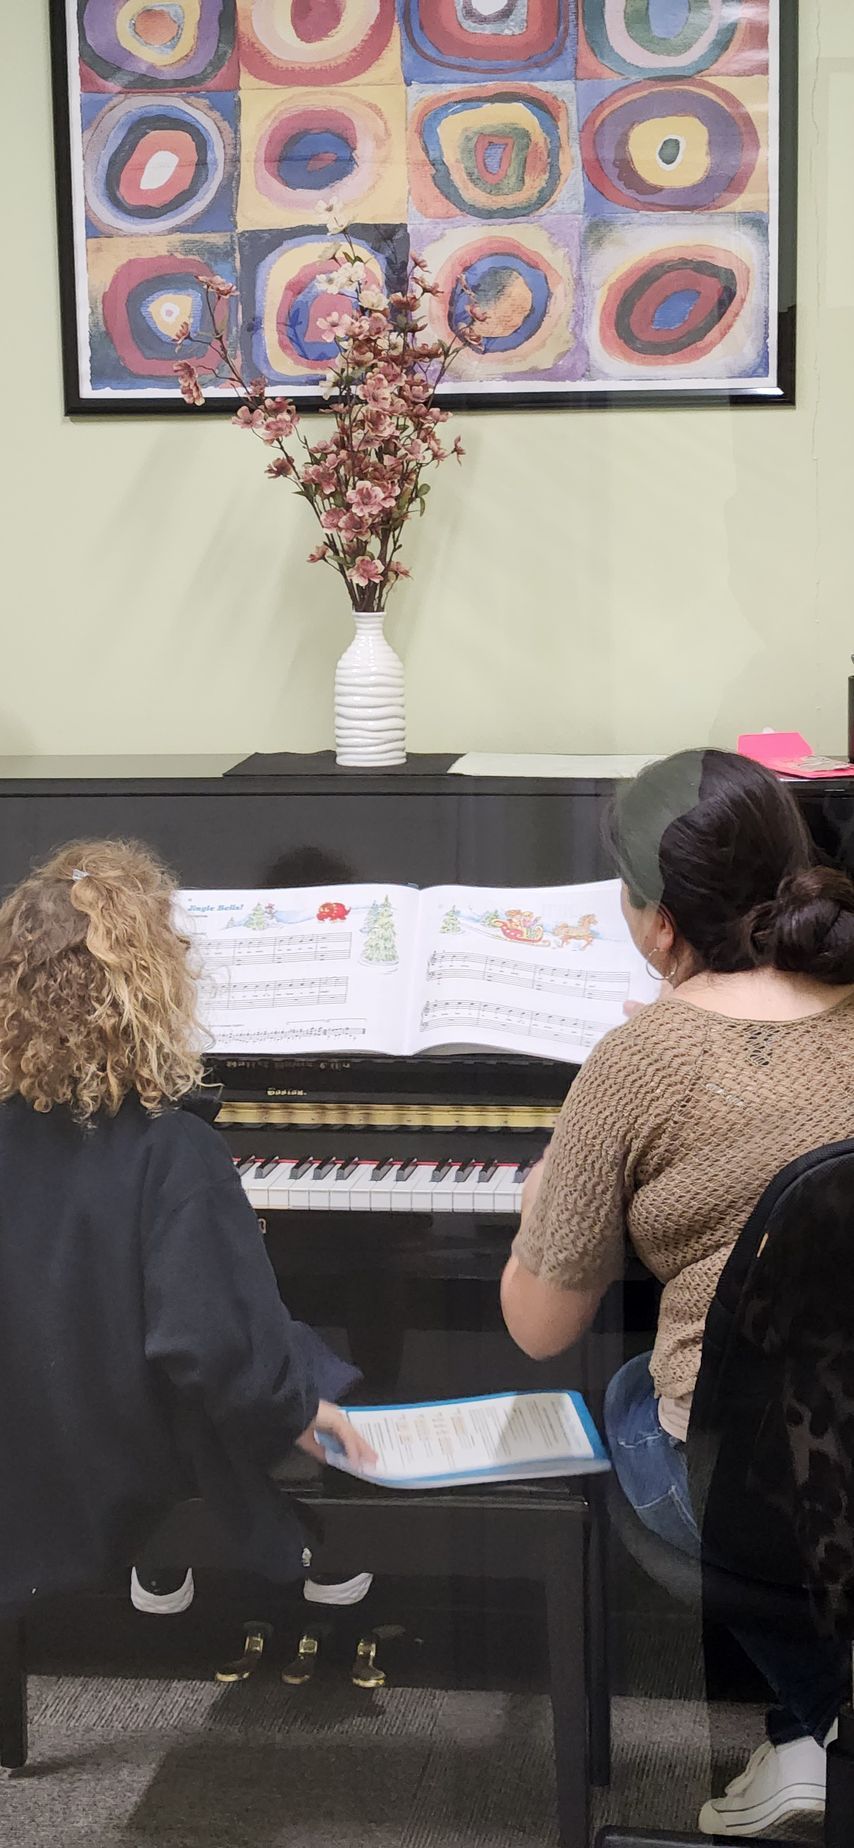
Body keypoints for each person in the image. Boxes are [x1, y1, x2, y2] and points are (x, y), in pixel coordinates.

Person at [500, 749, 854, 1837]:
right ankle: (808, 1735)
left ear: (657, 925)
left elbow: (536, 1323)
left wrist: (554, 1176)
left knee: (623, 1392)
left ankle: (820, 1720)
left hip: (754, 1494)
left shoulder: (641, 1058)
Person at [0, 838, 375, 1627]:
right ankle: (323, 1536)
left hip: (30, 1413)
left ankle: (172, 1567)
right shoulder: (171, 1148)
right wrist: (303, 1409)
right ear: (151, 986)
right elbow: (204, 1340)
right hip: (111, 1444)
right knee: (282, 1357)